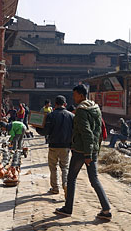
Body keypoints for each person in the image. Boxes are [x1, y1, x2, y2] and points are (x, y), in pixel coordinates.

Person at [55, 85, 112, 220]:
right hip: (93, 149)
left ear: (81, 95)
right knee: (94, 179)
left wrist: (87, 154)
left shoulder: (81, 110)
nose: (73, 98)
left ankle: (68, 208)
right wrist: (93, 151)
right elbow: (97, 131)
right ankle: (106, 209)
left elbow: (87, 132)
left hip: (82, 151)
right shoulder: (95, 108)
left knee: (71, 178)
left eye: (75, 95)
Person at [40, 95, 74, 196]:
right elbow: (75, 131)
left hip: (53, 145)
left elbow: (45, 131)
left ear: (55, 104)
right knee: (64, 167)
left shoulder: (50, 115)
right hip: (66, 146)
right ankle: (66, 184)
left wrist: (38, 128)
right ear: (65, 104)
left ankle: (55, 188)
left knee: (53, 167)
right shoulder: (71, 116)